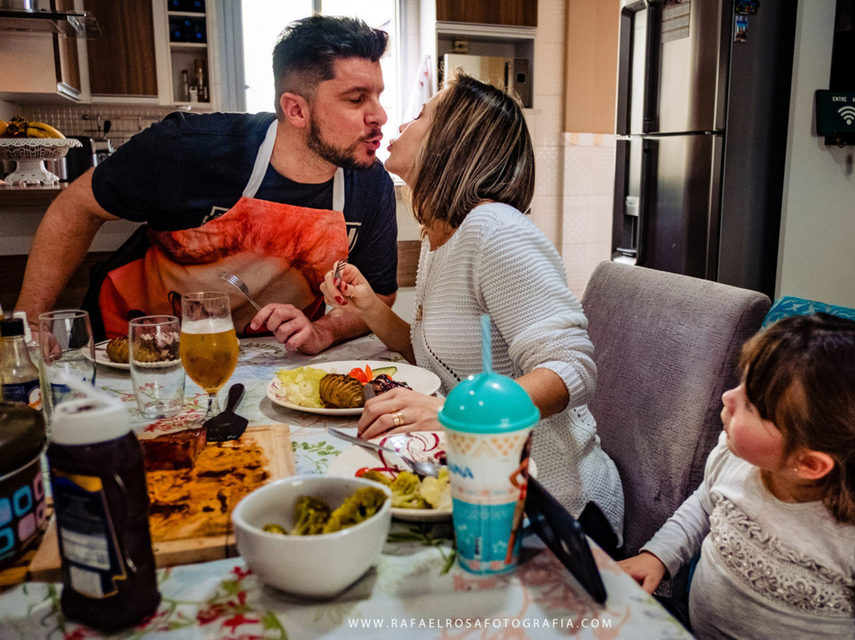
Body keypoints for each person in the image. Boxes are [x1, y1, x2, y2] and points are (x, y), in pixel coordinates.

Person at [317, 73, 625, 547]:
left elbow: (573, 368)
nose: (402, 121)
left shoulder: (494, 230)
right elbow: (435, 355)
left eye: (420, 115)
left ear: (451, 141)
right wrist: (369, 307)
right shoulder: (441, 236)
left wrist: (451, 413)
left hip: (557, 506)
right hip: (481, 484)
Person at [15, 16, 398, 354]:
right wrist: (29, 321)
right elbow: (76, 208)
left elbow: (379, 296)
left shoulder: (371, 184)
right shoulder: (188, 148)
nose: (379, 114)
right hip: (131, 346)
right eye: (356, 99)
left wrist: (322, 331)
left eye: (378, 95)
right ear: (296, 109)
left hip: (267, 359)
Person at [618, 313, 855, 639]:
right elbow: (704, 505)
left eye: (752, 406)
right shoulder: (734, 458)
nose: (728, 397)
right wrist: (657, 556)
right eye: (742, 381)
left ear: (809, 464)